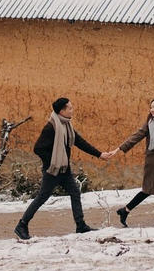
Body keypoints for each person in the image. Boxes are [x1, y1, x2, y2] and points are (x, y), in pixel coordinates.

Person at [14, 97, 106, 240]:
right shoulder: (51, 127)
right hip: (53, 170)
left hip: (64, 169)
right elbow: (38, 148)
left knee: (75, 192)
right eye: (69, 108)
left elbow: (80, 142)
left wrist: (99, 154)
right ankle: (21, 225)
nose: (72, 110)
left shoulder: (66, 125)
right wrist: (53, 161)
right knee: (42, 197)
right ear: (62, 111)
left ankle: (80, 226)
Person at [107, 97, 154, 226]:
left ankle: (126, 210)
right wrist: (119, 149)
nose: (152, 109)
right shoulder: (150, 124)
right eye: (151, 107)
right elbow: (136, 136)